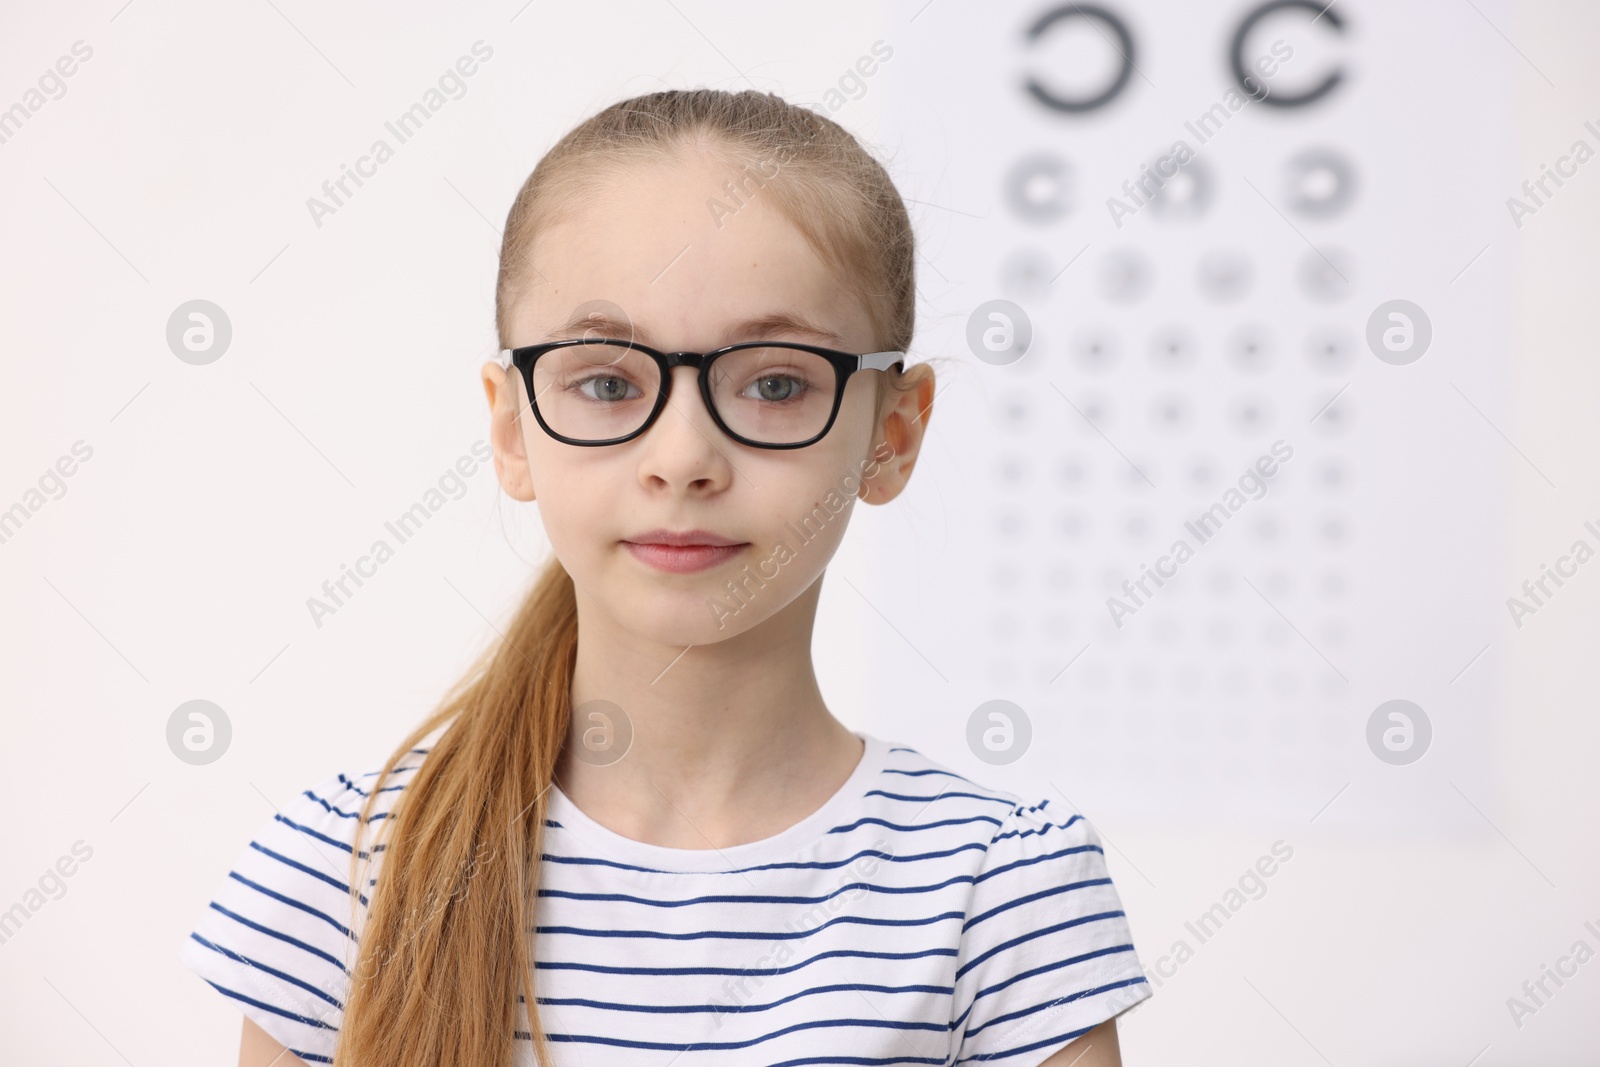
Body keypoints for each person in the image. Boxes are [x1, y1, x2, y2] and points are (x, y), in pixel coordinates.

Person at [178, 87, 1151, 1067]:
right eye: (607, 381)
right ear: (512, 427)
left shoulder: (1003, 888)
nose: (681, 456)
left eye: (775, 382)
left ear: (892, 434)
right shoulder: (343, 870)